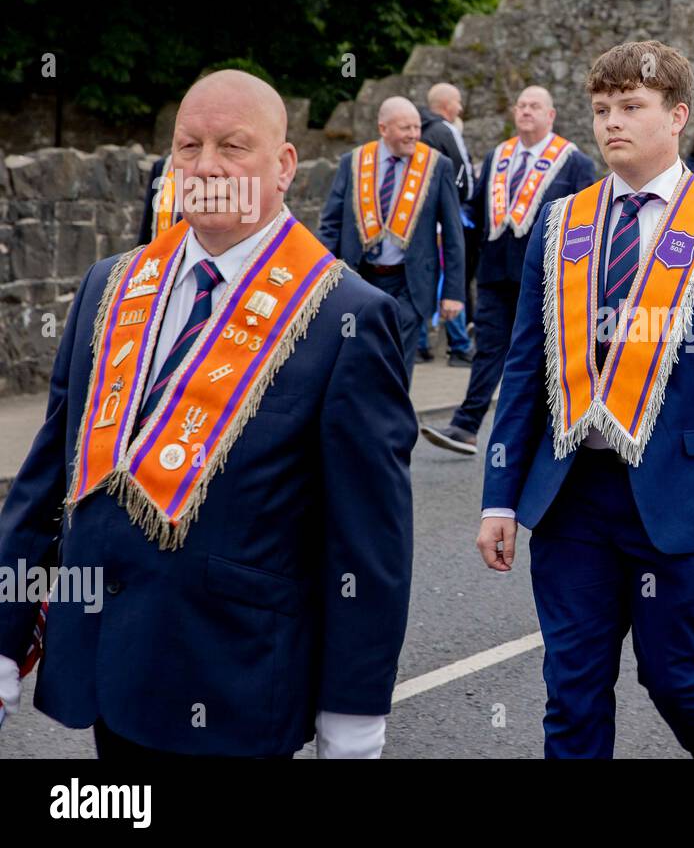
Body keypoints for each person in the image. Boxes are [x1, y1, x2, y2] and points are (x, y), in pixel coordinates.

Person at [0, 70, 415, 758]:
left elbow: (369, 546)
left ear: (284, 166)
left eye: (233, 145)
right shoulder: (111, 285)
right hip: (110, 667)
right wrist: (6, 639)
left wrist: (354, 714)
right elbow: (48, 478)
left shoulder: (348, 316)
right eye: (188, 145)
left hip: (236, 682)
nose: (206, 166)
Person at [475, 40, 694, 759]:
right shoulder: (561, 223)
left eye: (632, 107)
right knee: (573, 684)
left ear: (676, 116)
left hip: (679, 499)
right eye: (602, 109)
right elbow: (526, 368)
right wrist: (499, 497)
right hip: (571, 497)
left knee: (673, 674)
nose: (612, 122)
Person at [422, 86, 596, 455]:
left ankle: (557, 430)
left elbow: (585, 224)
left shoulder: (574, 161)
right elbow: (476, 210)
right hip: (495, 272)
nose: (526, 111)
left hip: (546, 277)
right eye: (521, 105)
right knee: (488, 350)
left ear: (551, 116)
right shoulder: (497, 155)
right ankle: (466, 426)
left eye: (535, 106)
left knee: (546, 353)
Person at [318, 96, 465, 380]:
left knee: (398, 360)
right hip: (360, 277)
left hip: (410, 283)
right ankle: (364, 420)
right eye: (404, 128)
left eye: (416, 127)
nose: (413, 135)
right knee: (359, 356)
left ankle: (393, 423)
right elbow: (331, 223)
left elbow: (452, 233)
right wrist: (320, 275)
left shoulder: (438, 166)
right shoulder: (354, 162)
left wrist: (453, 294)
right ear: (383, 129)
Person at [420, 82, 478, 366]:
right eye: (457, 102)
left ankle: (421, 345)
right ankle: (460, 345)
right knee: (451, 277)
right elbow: (464, 176)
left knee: (422, 277)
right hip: (445, 218)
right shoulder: (446, 130)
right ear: (446, 106)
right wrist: (468, 198)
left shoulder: (415, 129)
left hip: (412, 220)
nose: (460, 108)